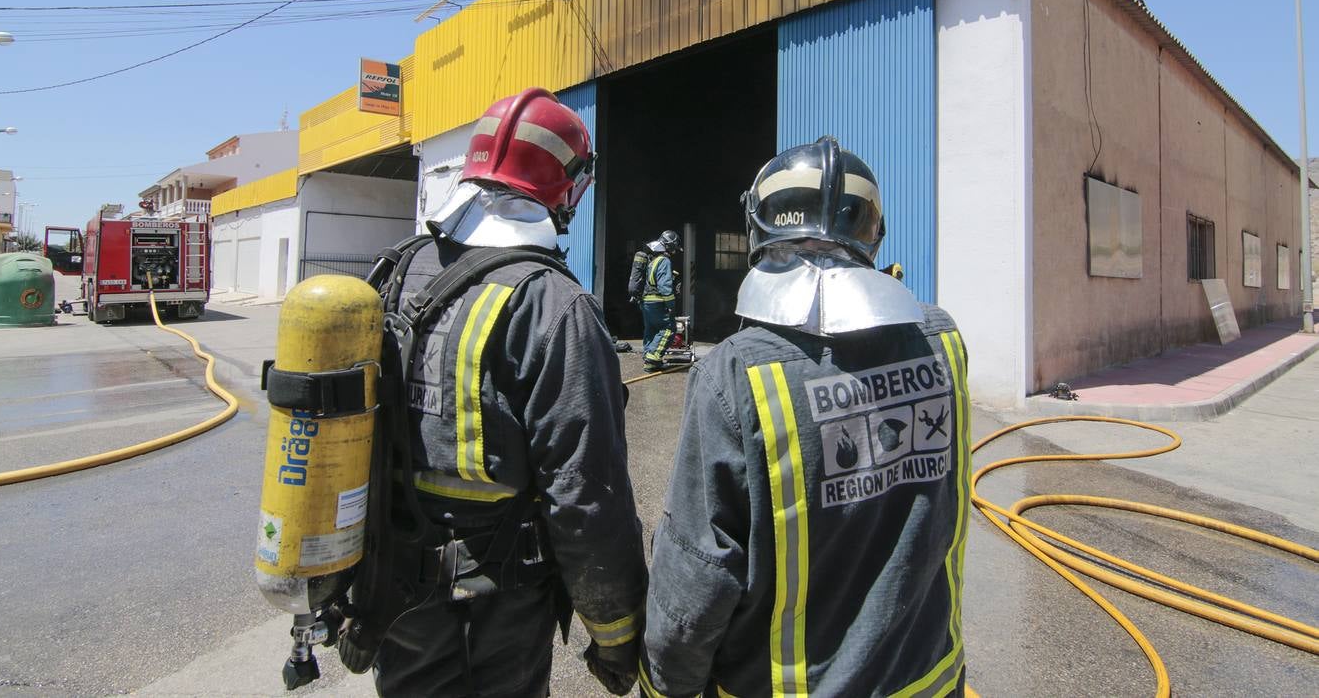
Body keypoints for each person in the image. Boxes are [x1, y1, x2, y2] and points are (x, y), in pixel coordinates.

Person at [639, 136, 971, 697]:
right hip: (931, 682)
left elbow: (700, 572)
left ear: (760, 230)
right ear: (873, 234)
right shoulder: (942, 342)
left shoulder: (739, 371)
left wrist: (663, 684)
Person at [360, 88, 647, 696]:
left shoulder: (397, 270)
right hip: (494, 612)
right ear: (564, 186)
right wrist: (616, 631)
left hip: (390, 590)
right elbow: (586, 494)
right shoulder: (552, 304)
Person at [639, 230, 680, 370]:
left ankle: (648, 355)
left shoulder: (652, 260)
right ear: (670, 246)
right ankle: (653, 359)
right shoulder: (664, 260)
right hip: (657, 301)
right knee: (668, 328)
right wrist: (671, 305)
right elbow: (664, 286)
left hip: (645, 301)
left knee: (651, 329)